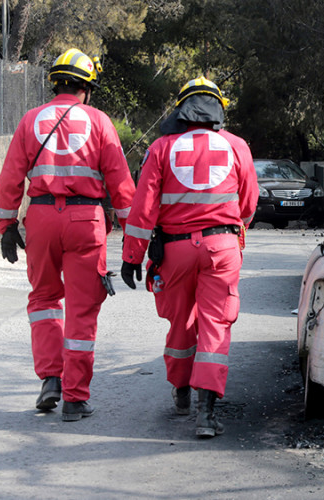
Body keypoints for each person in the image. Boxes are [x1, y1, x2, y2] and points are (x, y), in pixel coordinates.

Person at [0, 48, 136, 421]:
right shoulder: (100, 121)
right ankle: (75, 398)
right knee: (82, 307)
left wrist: (6, 225)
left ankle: (50, 379)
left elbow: (10, 178)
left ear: (55, 83)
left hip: (40, 217)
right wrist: (136, 243)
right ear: (86, 88)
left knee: (43, 299)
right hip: (84, 221)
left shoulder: (30, 120)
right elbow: (122, 186)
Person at [121, 77, 258, 438]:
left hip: (175, 250)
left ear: (181, 109)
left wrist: (132, 257)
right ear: (218, 109)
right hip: (221, 249)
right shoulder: (236, 146)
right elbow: (248, 205)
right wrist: (233, 232)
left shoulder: (161, 147)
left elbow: (143, 207)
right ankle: (207, 412)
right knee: (215, 324)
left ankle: (182, 392)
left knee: (180, 322)